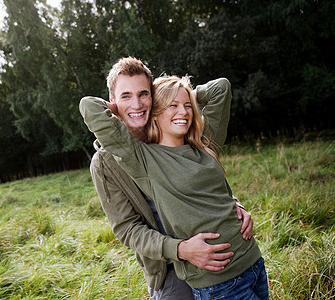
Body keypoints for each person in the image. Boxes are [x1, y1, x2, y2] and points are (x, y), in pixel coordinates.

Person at [86, 57, 256, 299]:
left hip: (216, 255)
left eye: (144, 94)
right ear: (112, 101)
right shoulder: (105, 163)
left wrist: (178, 99)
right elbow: (128, 229)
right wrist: (181, 249)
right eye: (126, 96)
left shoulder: (174, 129)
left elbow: (202, 181)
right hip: (168, 268)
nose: (136, 104)